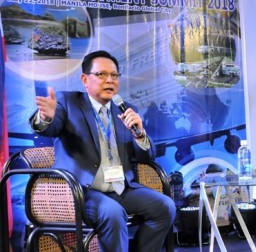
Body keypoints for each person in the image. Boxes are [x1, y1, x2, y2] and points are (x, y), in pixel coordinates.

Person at [29, 50, 176, 251]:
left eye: (114, 75)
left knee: (165, 207)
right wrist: (46, 118)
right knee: (113, 213)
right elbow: (50, 128)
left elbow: (147, 156)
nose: (110, 80)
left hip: (121, 188)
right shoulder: (68, 103)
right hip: (82, 191)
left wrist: (139, 135)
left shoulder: (125, 109)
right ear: (85, 79)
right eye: (101, 75)